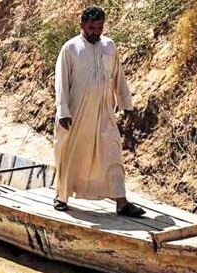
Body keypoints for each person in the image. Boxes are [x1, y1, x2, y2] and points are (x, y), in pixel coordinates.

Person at [53, 6, 145, 217]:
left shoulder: (109, 46)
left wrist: (126, 105)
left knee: (113, 152)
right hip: (77, 113)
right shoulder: (70, 49)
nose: (96, 32)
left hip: (105, 112)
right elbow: (61, 83)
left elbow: (118, 77)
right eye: (92, 28)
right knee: (71, 154)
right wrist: (63, 111)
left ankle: (121, 202)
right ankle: (61, 196)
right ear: (82, 25)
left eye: (100, 27)